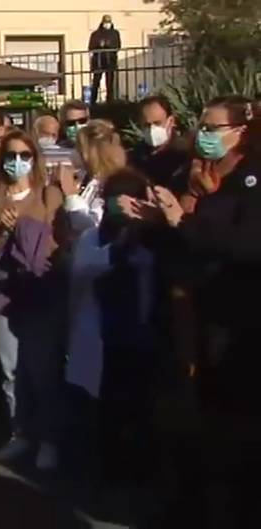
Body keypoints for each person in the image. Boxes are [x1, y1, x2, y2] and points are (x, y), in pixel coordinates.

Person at [119, 96, 261, 528]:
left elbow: (246, 245)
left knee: (231, 427)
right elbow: (178, 238)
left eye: (214, 128)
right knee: (184, 417)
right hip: (182, 310)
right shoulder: (192, 174)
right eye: (202, 126)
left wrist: (183, 222)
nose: (205, 136)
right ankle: (184, 502)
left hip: (231, 317)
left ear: (240, 132)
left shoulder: (250, 180)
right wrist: (152, 222)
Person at [0, 130, 70, 470]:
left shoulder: (48, 195)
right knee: (10, 369)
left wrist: (26, 233)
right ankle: (21, 432)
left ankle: (49, 438)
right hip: (4, 293)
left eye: (24, 155)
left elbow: (60, 244)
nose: (17, 162)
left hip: (40, 292)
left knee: (42, 368)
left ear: (34, 158)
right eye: (11, 155)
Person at [64, 167, 158, 486]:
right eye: (117, 200)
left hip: (141, 335)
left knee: (138, 407)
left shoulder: (153, 238)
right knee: (105, 410)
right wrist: (120, 248)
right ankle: (107, 470)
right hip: (100, 335)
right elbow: (84, 270)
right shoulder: (93, 238)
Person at [60, 119, 126, 234]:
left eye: (78, 148)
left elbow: (93, 226)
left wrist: (71, 196)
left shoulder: (109, 184)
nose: (74, 152)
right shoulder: (88, 178)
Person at [129, 94, 191, 196]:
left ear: (171, 121)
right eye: (147, 125)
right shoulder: (135, 157)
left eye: (157, 123)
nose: (152, 129)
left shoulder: (184, 155)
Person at [88, 15, 121, 104]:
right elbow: (91, 47)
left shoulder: (115, 33)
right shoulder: (96, 34)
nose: (107, 24)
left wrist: (109, 46)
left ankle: (110, 101)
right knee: (96, 82)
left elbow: (118, 46)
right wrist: (99, 46)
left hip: (110, 60)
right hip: (98, 61)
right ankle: (93, 101)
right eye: (106, 22)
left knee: (110, 83)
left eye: (109, 22)